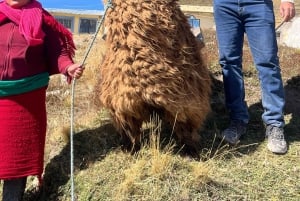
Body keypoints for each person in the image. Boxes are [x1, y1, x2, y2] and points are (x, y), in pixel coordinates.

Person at [0, 0, 84, 200]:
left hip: (26, 103)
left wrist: (67, 67)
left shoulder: (42, 18)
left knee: (16, 162)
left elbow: (58, 51)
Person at [213, 0, 295, 154]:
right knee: (229, 62)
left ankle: (274, 124)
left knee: (267, 62)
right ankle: (237, 120)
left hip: (258, 4)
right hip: (225, 5)